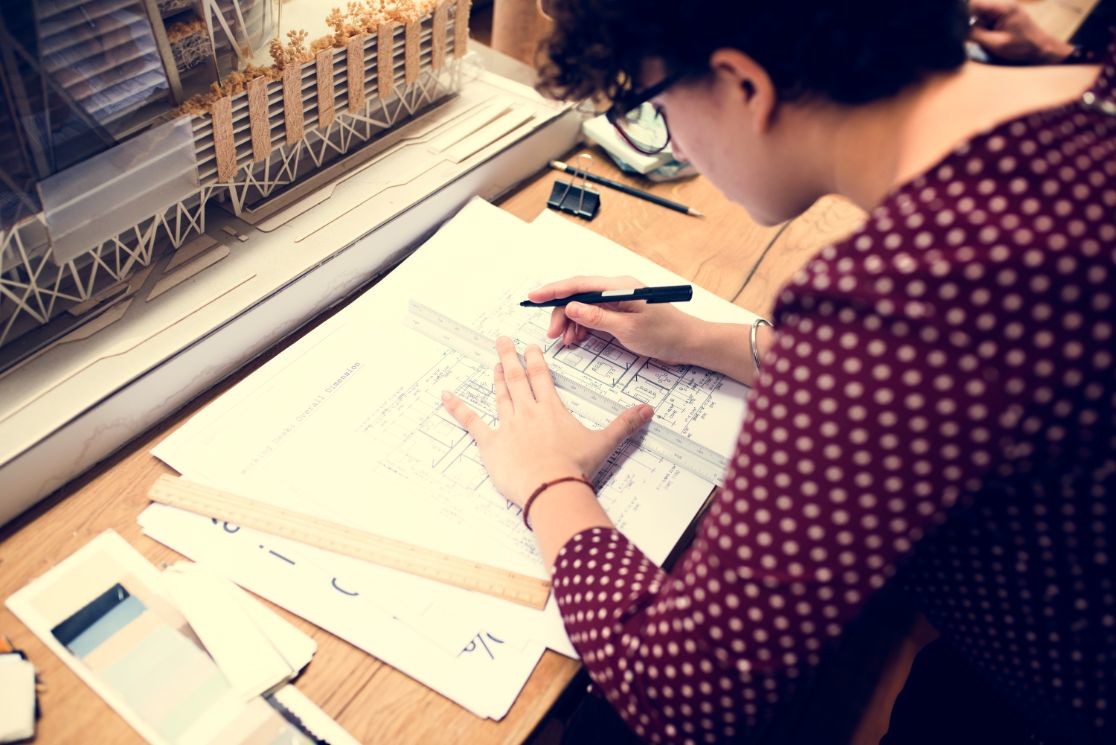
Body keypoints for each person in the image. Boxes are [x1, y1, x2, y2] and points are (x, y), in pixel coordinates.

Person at [441, 1, 1115, 742]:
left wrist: (550, 481)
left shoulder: (908, 292)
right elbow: (960, 379)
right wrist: (706, 340)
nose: (679, 145)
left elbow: (682, 691)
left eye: (657, 107)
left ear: (743, 85)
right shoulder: (1081, 91)